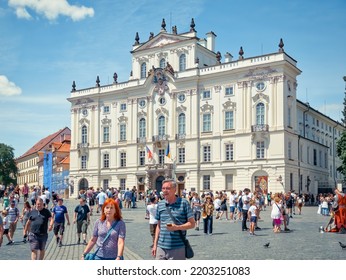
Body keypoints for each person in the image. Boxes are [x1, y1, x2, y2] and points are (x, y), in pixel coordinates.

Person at [151, 179, 195, 260]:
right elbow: (159, 226)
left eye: (168, 188)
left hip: (177, 247)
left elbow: (192, 224)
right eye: (163, 188)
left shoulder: (184, 203)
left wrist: (177, 227)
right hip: (161, 247)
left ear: (175, 189)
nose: (165, 191)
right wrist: (155, 244)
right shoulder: (160, 204)